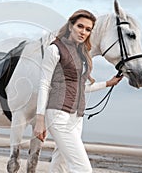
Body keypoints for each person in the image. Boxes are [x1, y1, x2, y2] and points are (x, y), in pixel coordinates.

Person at [33, 9, 123, 173]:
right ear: (70, 25)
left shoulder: (82, 54)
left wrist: (108, 83)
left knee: (60, 164)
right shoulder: (54, 49)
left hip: (77, 117)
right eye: (80, 26)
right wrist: (40, 120)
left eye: (88, 29)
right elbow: (44, 84)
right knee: (83, 169)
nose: (84, 32)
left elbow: (81, 87)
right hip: (58, 114)